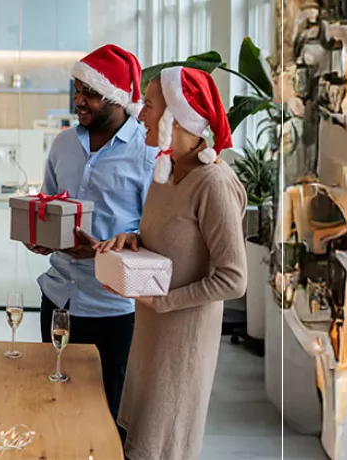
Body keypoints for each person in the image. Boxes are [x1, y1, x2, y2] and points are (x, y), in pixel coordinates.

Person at [98, 66, 248, 460]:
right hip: (148, 336)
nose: (140, 114)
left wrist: (162, 301)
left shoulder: (214, 184)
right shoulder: (165, 172)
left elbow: (233, 280)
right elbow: (169, 242)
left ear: (177, 116)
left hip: (181, 346)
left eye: (149, 105)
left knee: (161, 449)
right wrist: (134, 239)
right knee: (135, 443)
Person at [24, 44, 156, 422]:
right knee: (52, 402)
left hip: (112, 309)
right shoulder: (64, 143)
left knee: (107, 413)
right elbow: (50, 203)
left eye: (91, 94)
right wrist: (39, 233)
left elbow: (155, 237)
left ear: (117, 99)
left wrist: (103, 253)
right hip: (58, 298)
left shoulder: (147, 152)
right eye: (78, 90)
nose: (80, 100)